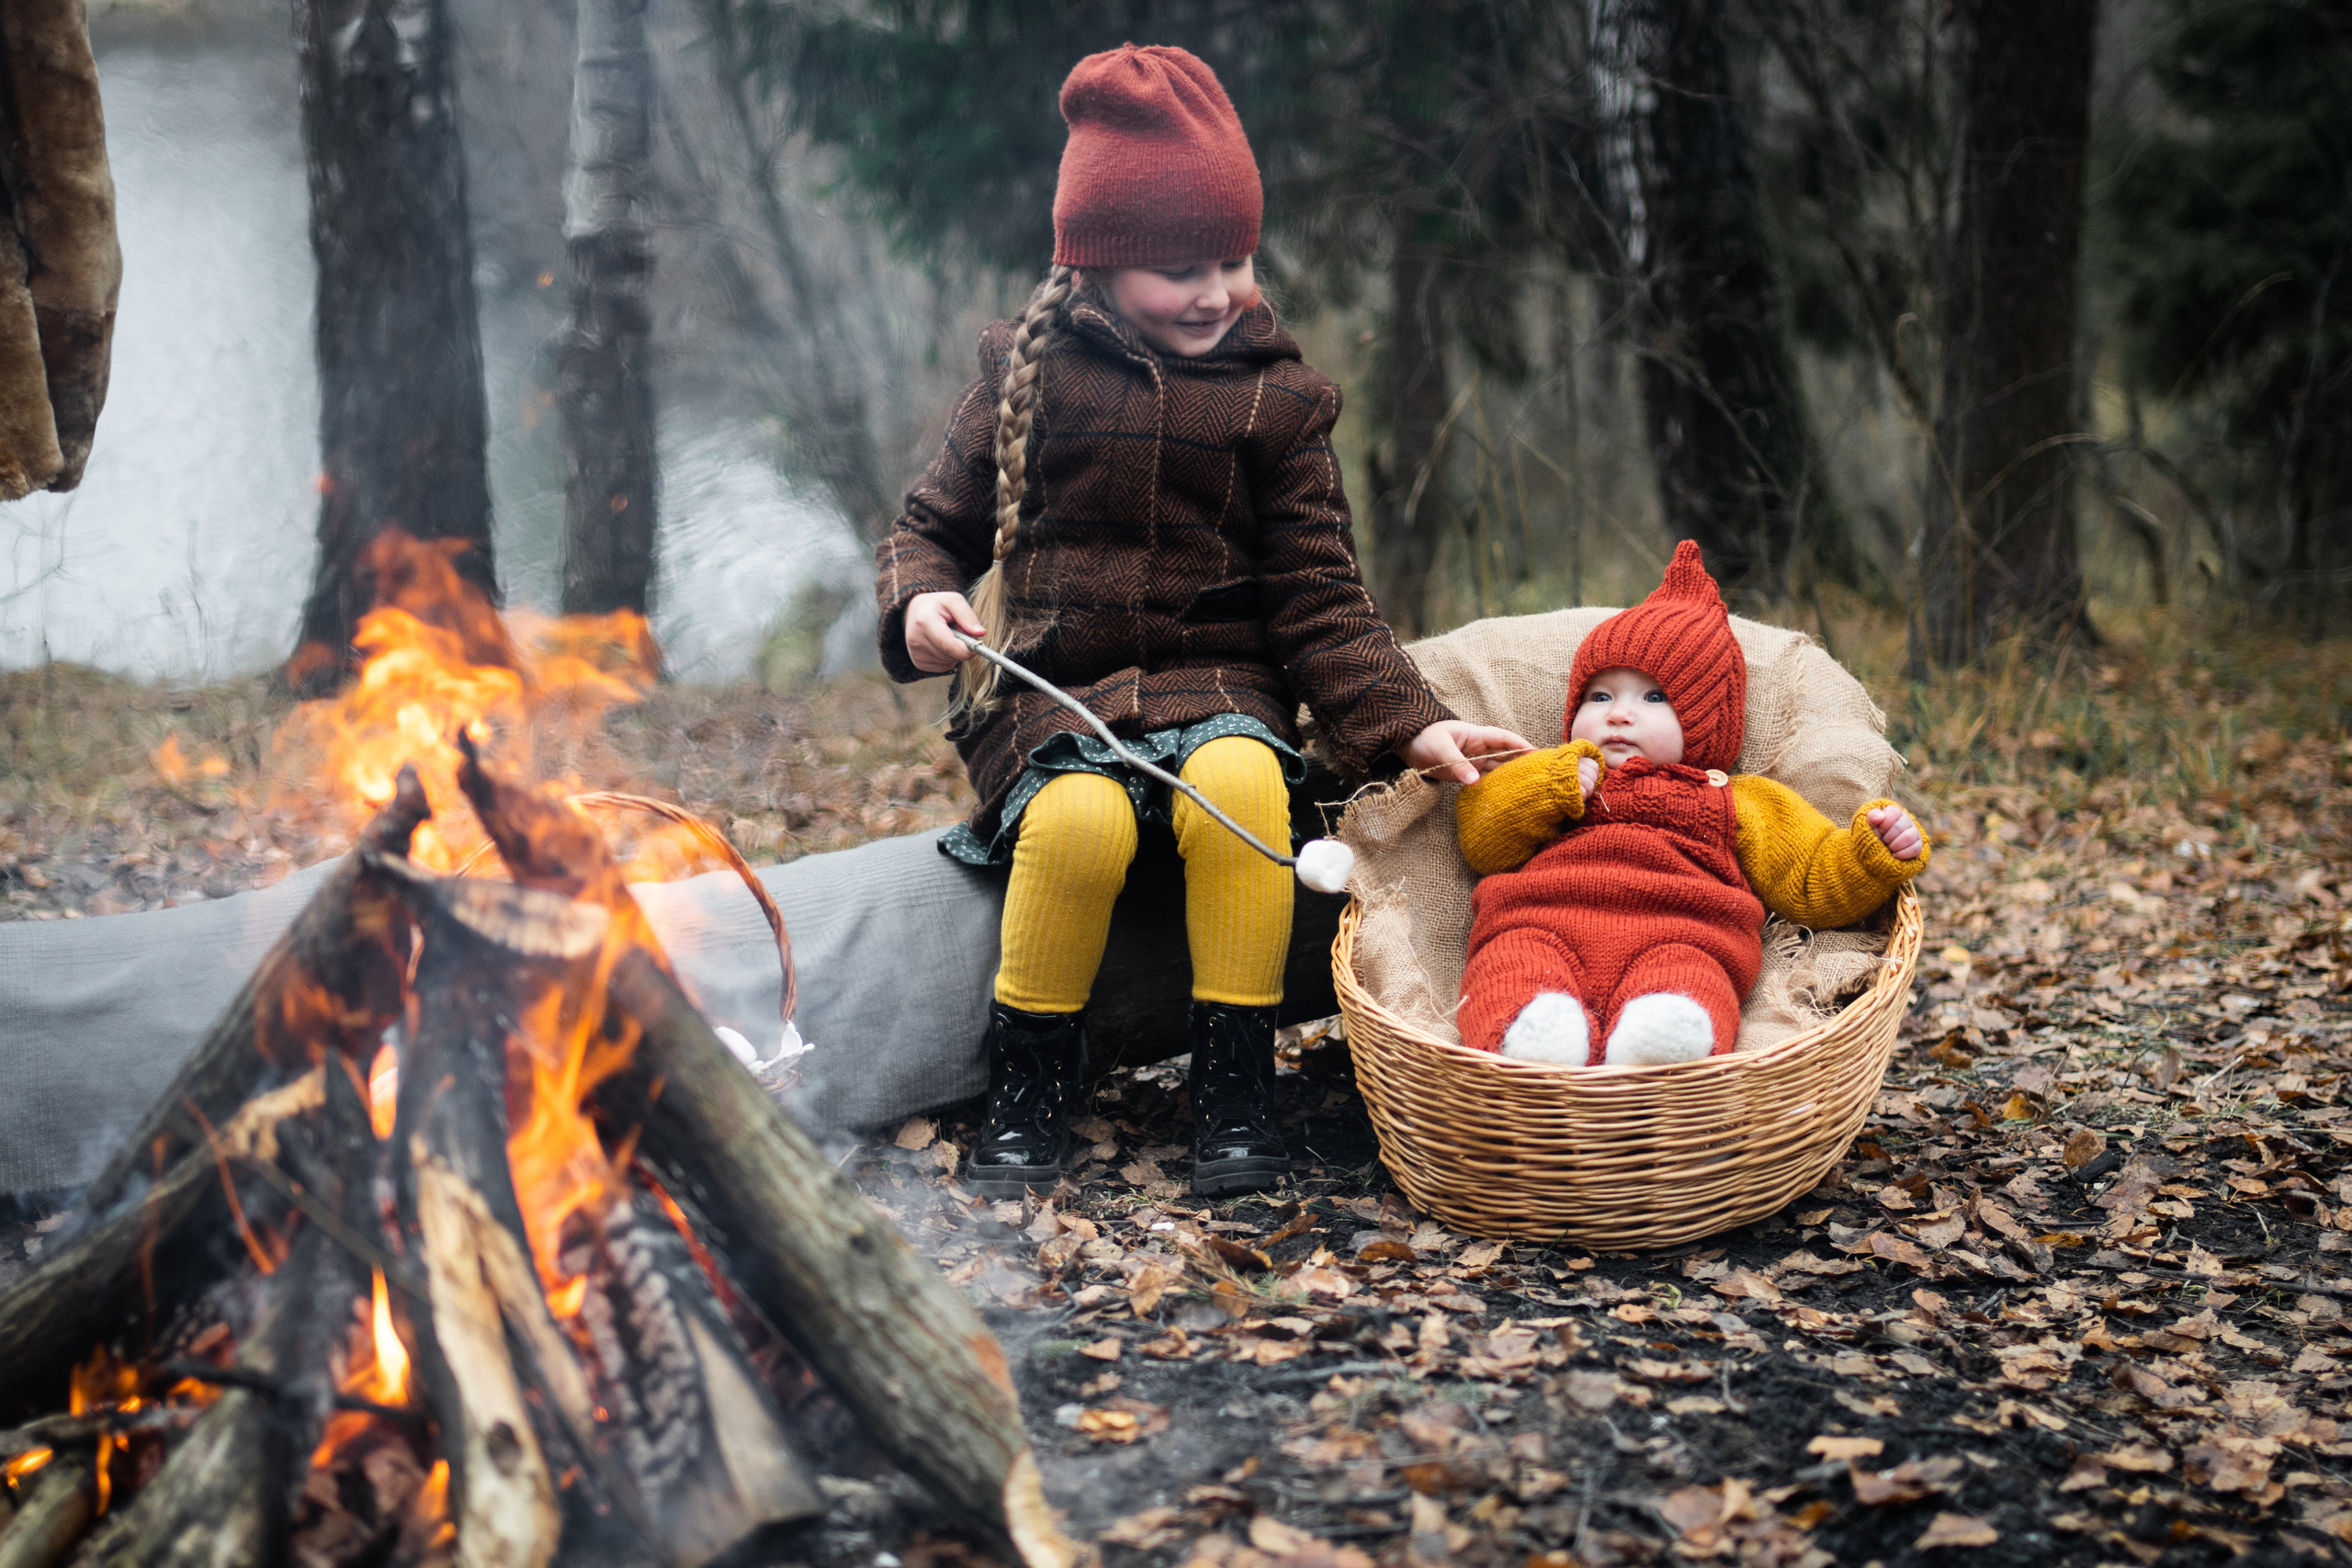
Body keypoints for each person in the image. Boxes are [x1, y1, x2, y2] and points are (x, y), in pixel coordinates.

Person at [877, 44, 1527, 1197]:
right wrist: (922, 600)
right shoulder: (1029, 380)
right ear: (1096, 267)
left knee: (1238, 796)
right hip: (1051, 692)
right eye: (1180, 268)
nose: (1214, 291)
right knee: (1077, 827)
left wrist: (1410, 728)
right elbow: (930, 528)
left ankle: (1236, 1080)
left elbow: (1322, 598)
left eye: (1233, 259)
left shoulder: (1278, 404)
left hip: (1219, 684)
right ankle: (1032, 1081)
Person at [1454, 542, 1928, 1067]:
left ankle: (1662, 1034)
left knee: (1691, 982)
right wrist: (1547, 785)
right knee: (1510, 969)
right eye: (1600, 696)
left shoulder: (1734, 798)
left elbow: (1810, 878)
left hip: (1684, 938)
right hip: (1539, 925)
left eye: (1654, 698)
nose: (1620, 715)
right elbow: (1482, 834)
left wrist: (1870, 851)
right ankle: (1532, 1031)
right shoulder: (1556, 774)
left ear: (1705, 724)